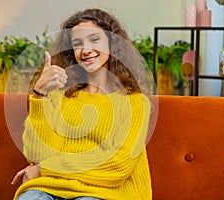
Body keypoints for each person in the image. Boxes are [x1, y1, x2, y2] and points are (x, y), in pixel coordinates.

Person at [11, 8, 153, 200]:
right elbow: (36, 155)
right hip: (49, 188)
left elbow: (118, 165)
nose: (86, 50)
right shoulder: (58, 95)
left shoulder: (134, 102)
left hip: (106, 193)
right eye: (77, 44)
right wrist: (39, 94)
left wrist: (45, 169)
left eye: (95, 40)